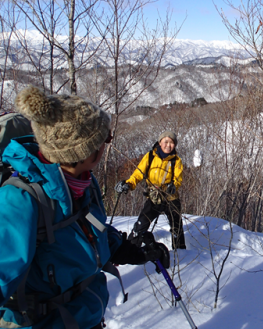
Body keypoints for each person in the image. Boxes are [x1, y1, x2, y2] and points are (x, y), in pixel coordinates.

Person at [0, 86, 169, 329]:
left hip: (85, 316)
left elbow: (89, 230)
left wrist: (129, 250)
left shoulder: (84, 183)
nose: (106, 144)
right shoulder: (20, 201)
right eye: (104, 139)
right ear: (83, 151)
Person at [115, 131, 186, 249]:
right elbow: (138, 174)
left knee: (176, 227)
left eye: (172, 143)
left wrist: (174, 186)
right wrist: (128, 184)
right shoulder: (150, 156)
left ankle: (180, 253)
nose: (168, 145)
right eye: (166, 142)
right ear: (160, 142)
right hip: (155, 198)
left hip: (170, 198)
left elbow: (178, 179)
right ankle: (128, 250)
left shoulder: (176, 160)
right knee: (141, 224)